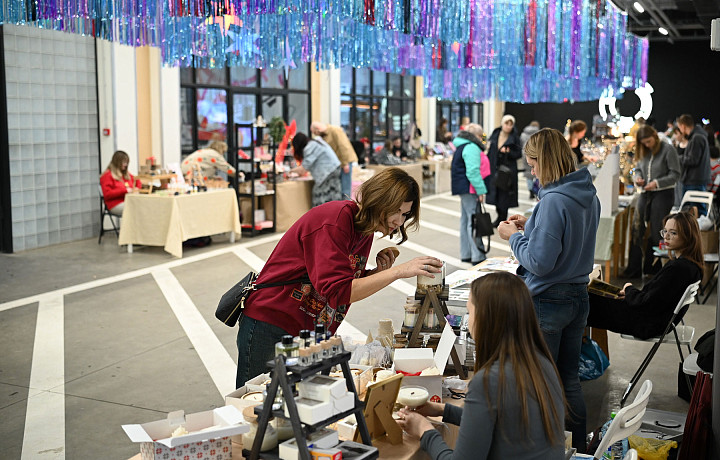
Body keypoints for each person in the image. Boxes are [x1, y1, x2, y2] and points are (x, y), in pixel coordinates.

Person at [235, 167, 443, 387]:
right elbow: (338, 291)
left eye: (405, 214)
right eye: (396, 211)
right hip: (272, 322)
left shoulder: (364, 229)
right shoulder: (336, 220)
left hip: (304, 329)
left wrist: (377, 274)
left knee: (293, 405)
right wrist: (398, 272)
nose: (399, 221)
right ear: (379, 200)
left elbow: (343, 280)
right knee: (255, 402)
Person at [498, 128, 600, 451]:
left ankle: (546, 449)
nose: (531, 171)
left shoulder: (554, 200)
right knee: (569, 378)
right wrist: (531, 224)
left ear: (546, 162)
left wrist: (511, 237)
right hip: (578, 295)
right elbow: (567, 240)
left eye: (533, 165)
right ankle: (577, 449)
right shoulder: (587, 195)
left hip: (548, 301)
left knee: (541, 382)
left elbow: (540, 262)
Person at [397, 272, 565, 459]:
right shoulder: (540, 362)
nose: (468, 321)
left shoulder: (489, 381)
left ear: (487, 318)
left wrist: (424, 430)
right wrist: (442, 410)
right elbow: (498, 424)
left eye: (470, 311)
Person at [588, 212, 703, 339]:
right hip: (656, 319)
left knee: (586, 300)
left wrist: (629, 289)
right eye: (665, 231)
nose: (666, 237)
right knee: (593, 297)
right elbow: (655, 297)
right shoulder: (692, 266)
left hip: (647, 323)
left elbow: (648, 303)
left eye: (673, 233)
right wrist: (630, 294)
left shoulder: (678, 269)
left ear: (688, 236)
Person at [621, 126, 681, 278]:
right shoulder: (643, 151)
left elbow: (675, 174)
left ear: (654, 136)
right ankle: (633, 270)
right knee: (637, 229)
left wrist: (656, 183)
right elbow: (638, 169)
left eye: (648, 141)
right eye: (644, 142)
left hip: (663, 194)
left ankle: (653, 270)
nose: (647, 145)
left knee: (657, 231)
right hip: (645, 193)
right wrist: (637, 178)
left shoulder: (668, 149)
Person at [451, 123, 487, 265]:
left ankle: (466, 253)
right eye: (481, 136)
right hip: (469, 188)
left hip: (462, 187)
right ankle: (477, 256)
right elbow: (473, 171)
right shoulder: (471, 147)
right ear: (476, 136)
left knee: (465, 220)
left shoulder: (461, 145)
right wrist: (481, 190)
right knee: (473, 221)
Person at [486, 114, 522, 226]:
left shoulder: (515, 138)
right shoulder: (495, 135)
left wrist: (508, 152)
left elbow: (518, 154)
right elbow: (490, 152)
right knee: (495, 195)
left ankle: (502, 218)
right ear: (502, 123)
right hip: (495, 170)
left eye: (511, 124)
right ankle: (499, 217)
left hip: (507, 172)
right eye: (507, 123)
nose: (509, 126)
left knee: (504, 197)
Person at [291, 132, 343, 207]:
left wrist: (290, 171)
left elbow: (303, 169)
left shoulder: (310, 147)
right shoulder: (316, 142)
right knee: (333, 195)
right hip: (334, 169)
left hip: (327, 172)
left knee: (318, 195)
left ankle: (320, 215)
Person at [310, 121, 358, 199]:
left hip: (344, 161)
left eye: (315, 132)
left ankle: (347, 207)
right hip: (338, 164)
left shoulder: (335, 130)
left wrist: (345, 164)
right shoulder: (324, 136)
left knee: (345, 188)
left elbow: (343, 146)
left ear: (318, 129)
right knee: (340, 188)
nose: (316, 134)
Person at [676, 114, 711, 215]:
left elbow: (693, 160)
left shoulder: (697, 138)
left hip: (694, 180)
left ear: (683, 126)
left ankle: (698, 231)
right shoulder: (698, 136)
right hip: (695, 179)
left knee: (697, 211)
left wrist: (677, 158)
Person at [100, 150, 142, 216]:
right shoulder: (107, 175)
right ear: (117, 162)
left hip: (128, 201)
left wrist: (137, 188)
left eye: (127, 162)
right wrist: (124, 191)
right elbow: (107, 194)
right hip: (115, 204)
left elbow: (137, 180)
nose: (126, 165)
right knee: (136, 209)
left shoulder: (125, 174)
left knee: (143, 206)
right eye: (124, 162)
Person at [520, 121, 541, 199]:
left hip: (525, 155)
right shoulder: (539, 134)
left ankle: (530, 190)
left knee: (528, 174)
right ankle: (536, 189)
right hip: (536, 155)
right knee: (537, 173)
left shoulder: (523, 134)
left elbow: (521, 144)